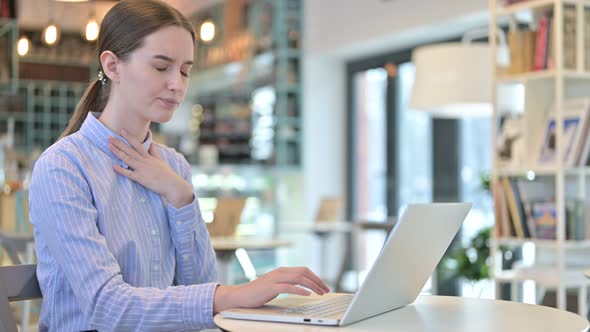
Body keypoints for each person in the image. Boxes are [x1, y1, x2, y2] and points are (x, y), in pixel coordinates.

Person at [28, 1, 330, 331]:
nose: (177, 84)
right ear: (112, 66)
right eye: (161, 67)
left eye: (185, 70)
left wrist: (180, 195)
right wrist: (234, 295)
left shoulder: (174, 166)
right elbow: (107, 307)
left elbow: (200, 285)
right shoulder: (63, 167)